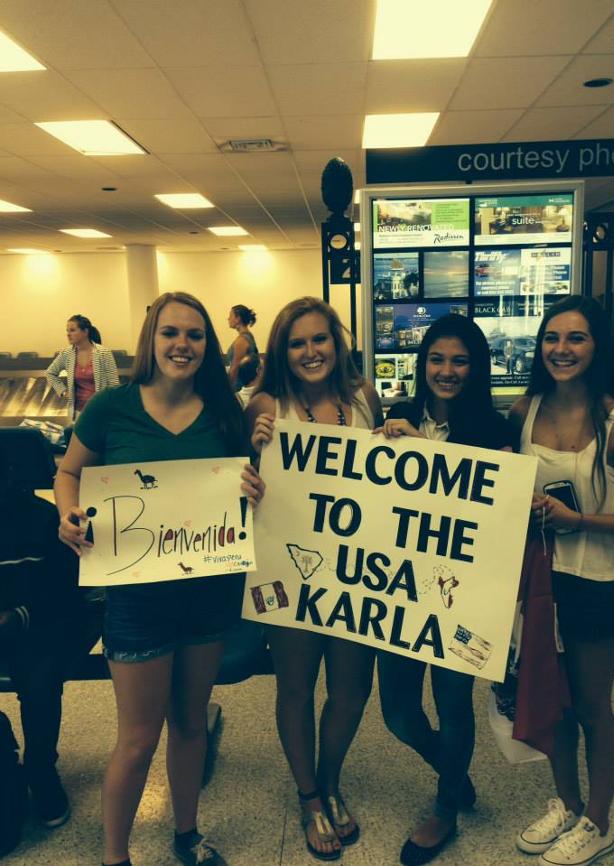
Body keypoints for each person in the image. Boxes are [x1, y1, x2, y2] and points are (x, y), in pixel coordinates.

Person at [54, 292, 265, 866]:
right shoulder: (112, 408)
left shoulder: (223, 414)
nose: (183, 345)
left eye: (195, 335)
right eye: (171, 332)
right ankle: (115, 856)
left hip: (207, 596)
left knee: (191, 724)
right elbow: (69, 471)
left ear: (208, 344)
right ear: (151, 338)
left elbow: (247, 493)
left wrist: (253, 487)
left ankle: (186, 835)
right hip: (136, 597)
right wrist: (66, 514)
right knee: (138, 736)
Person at [510, 295, 614, 866]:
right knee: (554, 699)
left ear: (597, 348)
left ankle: (599, 821)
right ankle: (566, 804)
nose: (561, 350)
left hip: (593, 582)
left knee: (593, 705)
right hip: (539, 582)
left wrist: (580, 520)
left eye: (576, 339)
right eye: (552, 338)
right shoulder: (525, 410)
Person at [375, 314, 516, 866]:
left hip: (461, 596)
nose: (447, 371)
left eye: (460, 361)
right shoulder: (398, 418)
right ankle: (452, 773)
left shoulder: (497, 431)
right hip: (399, 594)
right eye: (437, 359)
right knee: (398, 714)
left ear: (475, 367)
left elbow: (497, 517)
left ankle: (445, 808)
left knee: (454, 706)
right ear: (422, 364)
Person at [247, 297, 383, 862]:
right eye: (297, 343)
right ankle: (309, 796)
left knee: (352, 689)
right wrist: (248, 456)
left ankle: (330, 779)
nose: (310, 352)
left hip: (357, 572)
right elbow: (235, 478)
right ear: (283, 351)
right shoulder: (264, 404)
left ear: (337, 342)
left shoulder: (364, 399)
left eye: (320, 340)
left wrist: (397, 443)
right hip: (290, 569)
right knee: (297, 687)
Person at [0, 457, 102, 831]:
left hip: (40, 622)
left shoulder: (41, 520)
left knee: (40, 679)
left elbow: (68, 593)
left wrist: (18, 617)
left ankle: (40, 767)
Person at [45, 314, 120, 420]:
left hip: (101, 412)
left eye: (72, 330)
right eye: (67, 331)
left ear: (85, 332)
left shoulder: (103, 352)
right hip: (77, 413)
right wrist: (63, 391)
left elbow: (114, 385)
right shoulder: (67, 353)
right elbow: (50, 372)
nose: (68, 334)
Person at [226, 304, 259, 391]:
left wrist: (226, 390)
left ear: (238, 319)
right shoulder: (247, 336)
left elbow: (234, 369)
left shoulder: (242, 340)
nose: (228, 319)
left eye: (230, 316)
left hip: (239, 389)